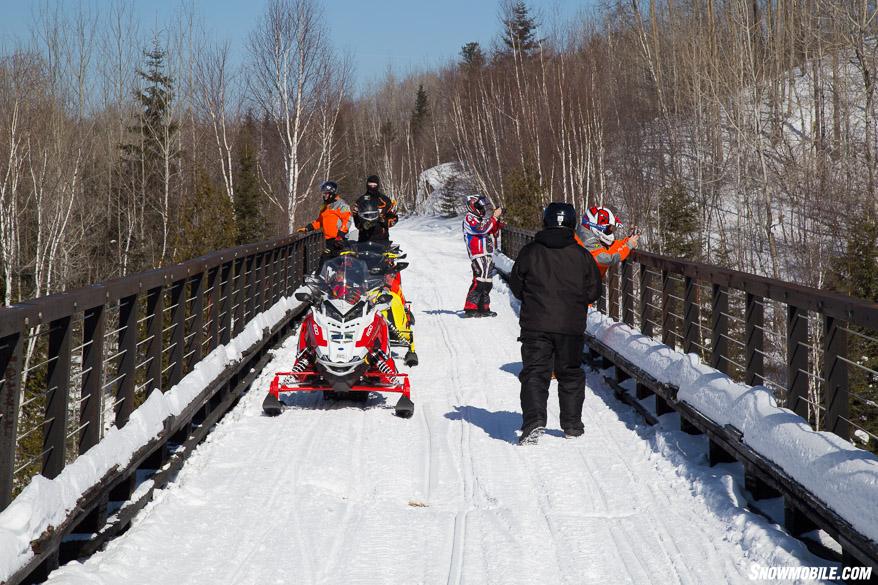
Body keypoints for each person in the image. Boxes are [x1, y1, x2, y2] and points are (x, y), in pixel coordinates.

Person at [509, 202, 602, 445]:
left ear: (546, 221)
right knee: (570, 374)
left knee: (535, 373)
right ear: (571, 224)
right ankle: (572, 425)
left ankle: (534, 421)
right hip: (570, 326)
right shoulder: (582, 256)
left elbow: (517, 287)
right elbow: (593, 292)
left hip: (536, 324)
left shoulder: (530, 252)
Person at [462, 194, 503, 317]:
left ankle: (483, 307)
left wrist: (497, 220)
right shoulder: (469, 218)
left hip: (487, 253)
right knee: (479, 280)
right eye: (480, 206)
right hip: (477, 253)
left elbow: (492, 230)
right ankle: (470, 308)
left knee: (487, 282)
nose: (483, 209)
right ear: (473, 206)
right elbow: (481, 229)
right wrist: (493, 218)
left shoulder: (481, 219)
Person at [576, 205, 640, 279]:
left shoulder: (585, 234)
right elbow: (606, 259)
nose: (610, 232)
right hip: (583, 287)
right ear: (597, 227)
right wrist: (628, 246)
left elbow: (609, 248)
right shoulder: (587, 241)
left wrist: (627, 242)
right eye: (608, 229)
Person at [298, 181, 351, 264]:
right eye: (323, 193)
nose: (324, 195)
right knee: (325, 261)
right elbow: (319, 221)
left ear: (332, 193)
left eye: (326, 193)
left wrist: (340, 235)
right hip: (329, 241)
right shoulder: (325, 206)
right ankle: (321, 276)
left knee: (338, 263)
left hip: (339, 240)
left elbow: (347, 220)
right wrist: (307, 228)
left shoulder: (341, 205)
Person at [353, 175, 398, 243]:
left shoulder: (385, 200)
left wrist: (384, 221)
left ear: (378, 185)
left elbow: (394, 218)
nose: (372, 186)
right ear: (367, 185)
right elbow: (355, 217)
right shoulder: (361, 200)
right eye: (370, 184)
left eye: (374, 184)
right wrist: (361, 225)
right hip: (364, 238)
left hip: (382, 239)